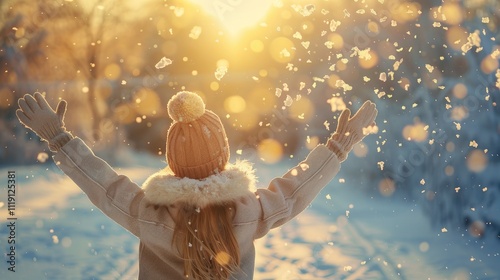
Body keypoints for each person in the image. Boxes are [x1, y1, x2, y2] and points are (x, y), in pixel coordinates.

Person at [16, 91, 377, 279]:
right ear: (223, 155)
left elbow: (104, 184)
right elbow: (295, 190)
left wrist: (60, 139)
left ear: (173, 162)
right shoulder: (247, 212)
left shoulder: (150, 214)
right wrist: (337, 147)